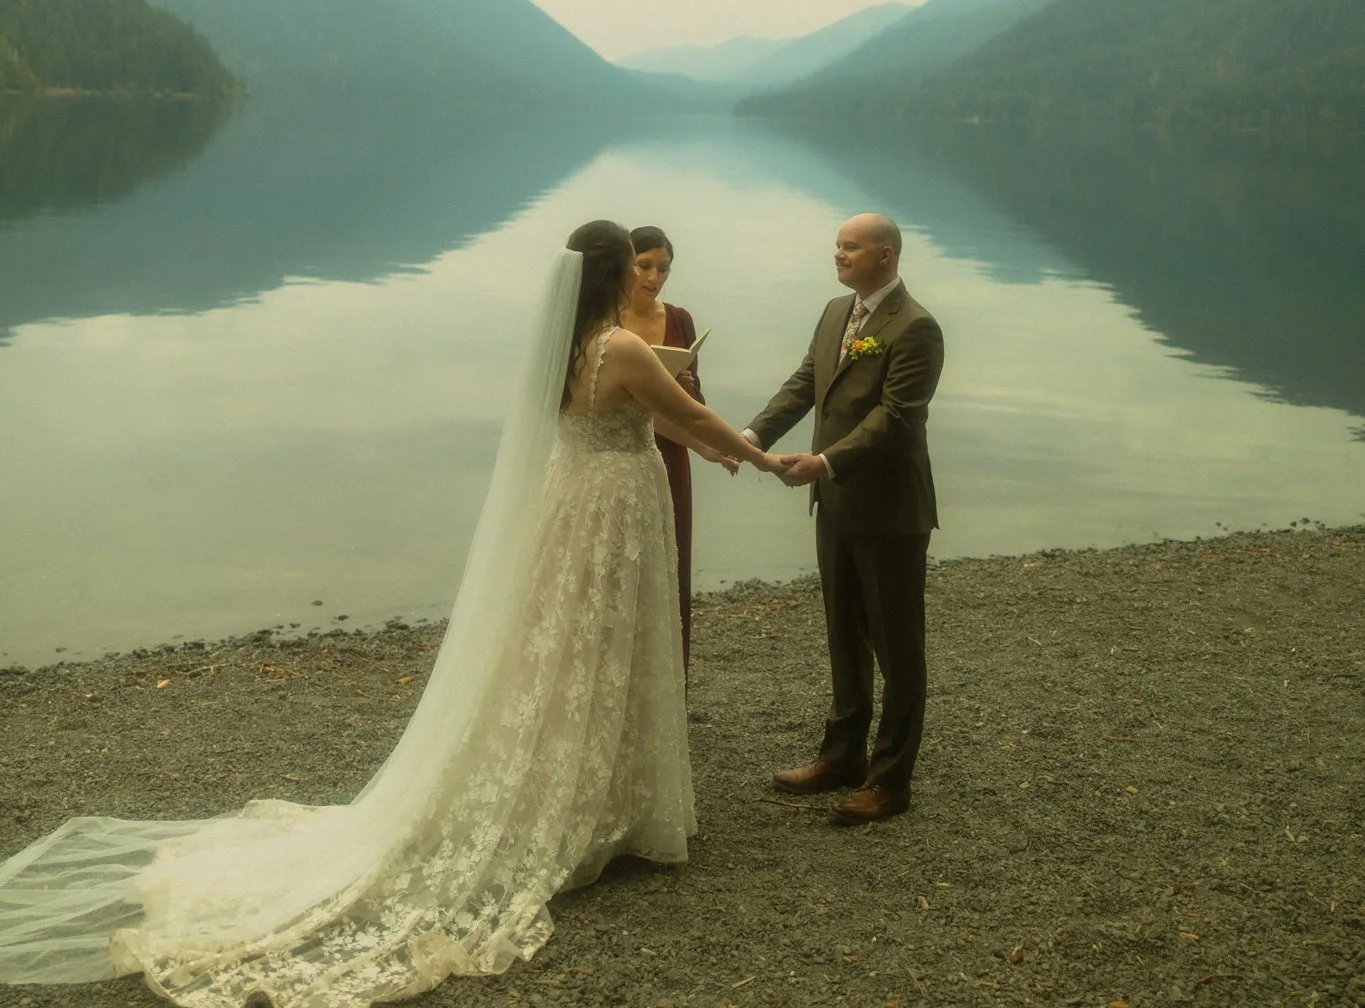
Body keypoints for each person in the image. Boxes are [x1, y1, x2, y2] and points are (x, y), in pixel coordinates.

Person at [0, 221, 777, 1003]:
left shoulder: (565, 347)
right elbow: (690, 413)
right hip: (614, 508)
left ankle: (596, 789)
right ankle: (601, 803)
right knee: (607, 648)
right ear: (615, 277)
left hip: (571, 504)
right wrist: (760, 456)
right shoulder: (626, 348)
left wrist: (709, 448)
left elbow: (659, 414)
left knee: (567, 652)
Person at [744, 212, 944, 825]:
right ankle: (842, 757)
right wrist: (750, 435)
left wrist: (826, 461)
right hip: (834, 504)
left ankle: (890, 783)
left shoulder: (916, 327)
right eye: (837, 246)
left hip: (888, 510)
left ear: (885, 255)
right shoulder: (837, 312)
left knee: (897, 646)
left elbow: (897, 417)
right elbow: (807, 382)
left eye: (850, 248)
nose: (838, 255)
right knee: (844, 632)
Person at [623, 224, 735, 673]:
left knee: (671, 567)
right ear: (623, 265)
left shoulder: (679, 319)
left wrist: (686, 388)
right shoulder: (604, 320)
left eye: (663, 268)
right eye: (644, 266)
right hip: (622, 449)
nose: (653, 278)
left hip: (672, 457)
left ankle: (670, 683)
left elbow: (695, 406)